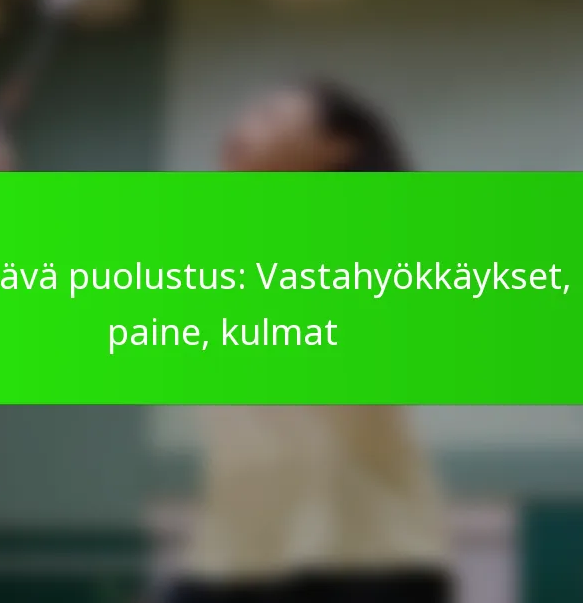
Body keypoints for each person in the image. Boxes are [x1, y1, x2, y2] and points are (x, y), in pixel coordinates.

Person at [167, 82, 453, 603]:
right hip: (236, 562)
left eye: (270, 114)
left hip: (366, 564)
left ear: (335, 147)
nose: (243, 125)